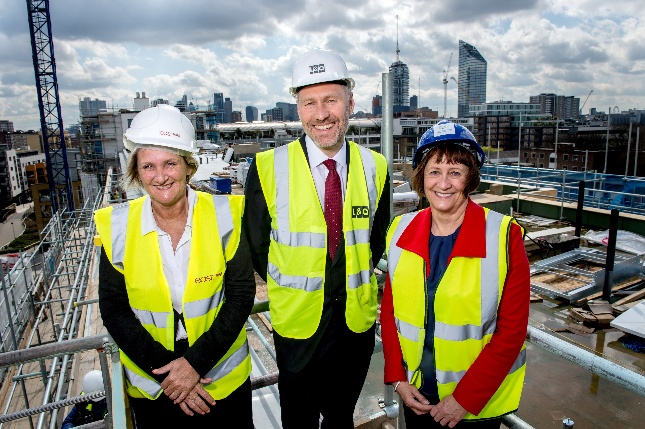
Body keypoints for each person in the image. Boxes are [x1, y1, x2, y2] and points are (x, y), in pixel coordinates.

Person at [244, 48, 391, 428]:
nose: (321, 113)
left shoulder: (376, 167)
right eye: (310, 102)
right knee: (299, 419)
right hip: (299, 323)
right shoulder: (266, 168)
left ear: (350, 103)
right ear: (298, 109)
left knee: (342, 417)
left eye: (331, 100)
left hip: (354, 324)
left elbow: (377, 240)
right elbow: (259, 246)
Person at [95, 105, 255, 428]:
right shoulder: (117, 228)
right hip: (157, 388)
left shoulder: (225, 215)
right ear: (137, 172)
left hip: (221, 381)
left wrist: (194, 365)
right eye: (149, 166)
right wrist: (173, 374)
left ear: (188, 166)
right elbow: (113, 308)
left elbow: (241, 294)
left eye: (170, 163)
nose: (161, 175)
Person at [380, 120, 529, 428]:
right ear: (422, 177)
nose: (443, 183)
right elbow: (390, 311)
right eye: (434, 171)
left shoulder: (503, 236)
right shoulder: (399, 230)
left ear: (470, 178)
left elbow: (512, 332)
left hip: (474, 405)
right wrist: (397, 377)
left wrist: (465, 399)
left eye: (455, 172)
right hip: (416, 395)